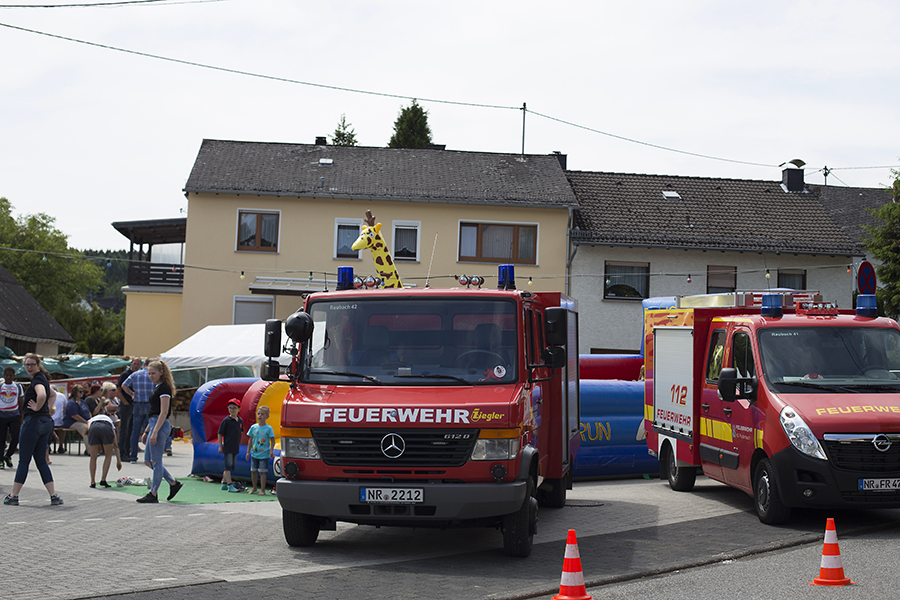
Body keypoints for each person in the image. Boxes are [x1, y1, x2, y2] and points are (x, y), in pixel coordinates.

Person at [4, 354, 63, 506]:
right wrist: (46, 409)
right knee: (41, 461)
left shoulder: (37, 380)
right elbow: (53, 394)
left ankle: (13, 496)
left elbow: (43, 394)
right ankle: (54, 496)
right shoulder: (43, 377)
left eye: (31, 364)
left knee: (24, 460)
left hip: (33, 422)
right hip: (45, 423)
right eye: (27, 365)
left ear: (38, 364)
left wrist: (37, 407)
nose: (29, 367)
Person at [135, 360, 182, 503]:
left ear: (161, 372)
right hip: (154, 423)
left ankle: (153, 493)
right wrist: (147, 431)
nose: (150, 376)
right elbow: (154, 412)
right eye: (149, 373)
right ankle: (173, 483)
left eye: (153, 373)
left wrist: (154, 432)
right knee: (149, 461)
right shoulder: (158, 387)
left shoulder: (164, 389)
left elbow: (163, 412)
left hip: (160, 425)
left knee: (156, 461)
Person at [123, 358, 153, 464]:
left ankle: (133, 456)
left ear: (144, 364)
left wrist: (131, 393)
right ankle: (149, 456)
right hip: (149, 404)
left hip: (137, 404)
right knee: (148, 431)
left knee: (135, 431)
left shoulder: (136, 374)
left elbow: (123, 385)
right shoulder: (152, 375)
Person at [87, 399, 122, 488]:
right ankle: (103, 479)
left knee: (93, 457)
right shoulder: (109, 420)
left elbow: (88, 430)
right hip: (106, 428)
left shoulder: (91, 419)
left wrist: (97, 444)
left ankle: (92, 481)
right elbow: (115, 443)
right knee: (108, 455)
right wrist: (118, 461)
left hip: (93, 428)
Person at [246, 405, 275, 496]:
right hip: (254, 453)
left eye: (262, 414)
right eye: (258, 414)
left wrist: (271, 450)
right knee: (253, 471)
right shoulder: (253, 427)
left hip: (264, 454)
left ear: (267, 416)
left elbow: (272, 439)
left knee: (262, 472)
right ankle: (254, 487)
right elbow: (250, 439)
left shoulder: (268, 428)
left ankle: (262, 489)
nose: (260, 416)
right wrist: (247, 452)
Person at [116, 357, 140, 461]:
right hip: (126, 405)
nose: (136, 366)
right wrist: (124, 402)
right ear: (131, 363)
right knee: (124, 430)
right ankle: (122, 453)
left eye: (138, 364)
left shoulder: (138, 375)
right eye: (135, 363)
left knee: (131, 429)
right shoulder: (125, 374)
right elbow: (118, 389)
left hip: (134, 405)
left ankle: (128, 450)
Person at [0, 366, 24, 469]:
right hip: (2, 414)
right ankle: (0, 460)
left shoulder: (18, 386)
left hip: (14, 414)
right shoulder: (1, 386)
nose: (8, 377)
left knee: (16, 437)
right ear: (4, 376)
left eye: (11, 375)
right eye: (7, 375)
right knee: (1, 439)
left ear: (14, 376)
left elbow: (21, 401)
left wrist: (22, 415)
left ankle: (8, 455)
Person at [217, 399, 243, 493]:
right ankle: (229, 485)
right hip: (227, 447)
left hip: (235, 447)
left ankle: (224, 483)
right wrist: (220, 446)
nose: (232, 410)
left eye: (234, 408)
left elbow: (240, 432)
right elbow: (220, 433)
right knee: (227, 466)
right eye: (230, 408)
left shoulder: (240, 421)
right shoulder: (226, 421)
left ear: (239, 409)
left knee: (231, 466)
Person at [63, 385, 91, 449]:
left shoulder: (82, 401)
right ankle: (90, 450)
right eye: (80, 391)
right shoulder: (71, 402)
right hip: (72, 422)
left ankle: (97, 449)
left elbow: (88, 412)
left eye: (82, 392)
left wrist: (90, 420)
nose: (82, 393)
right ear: (75, 392)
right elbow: (75, 416)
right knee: (86, 429)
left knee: (93, 428)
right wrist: (86, 422)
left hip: (84, 421)